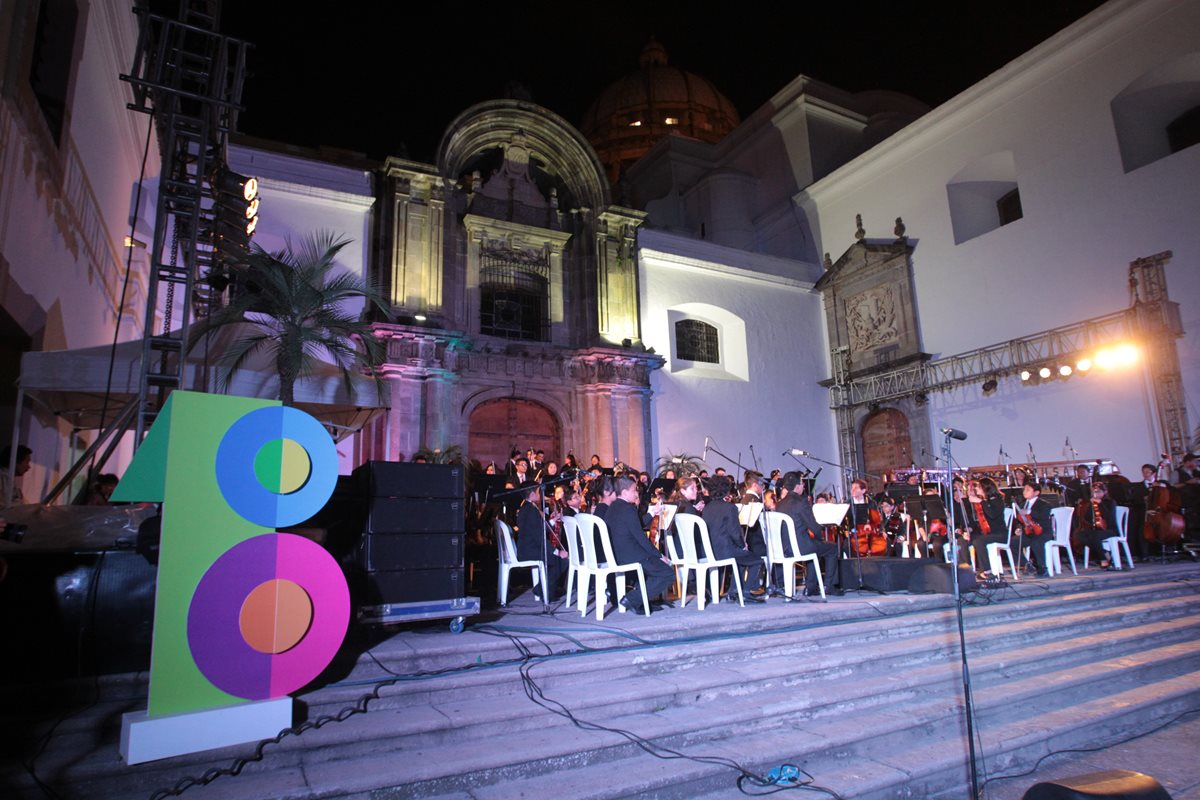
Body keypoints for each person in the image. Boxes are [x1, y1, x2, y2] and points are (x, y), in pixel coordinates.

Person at [606, 476, 676, 613]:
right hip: (631, 555)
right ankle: (633, 599)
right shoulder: (628, 509)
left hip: (619, 553)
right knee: (667, 573)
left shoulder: (613, 507)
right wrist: (660, 555)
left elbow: (635, 526)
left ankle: (642, 602)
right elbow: (641, 538)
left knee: (653, 570)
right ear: (625, 493)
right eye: (634, 490)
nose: (637, 493)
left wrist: (651, 513)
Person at [774, 471, 842, 597]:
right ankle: (829, 586)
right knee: (831, 548)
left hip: (783, 548)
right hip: (801, 547)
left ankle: (811, 587)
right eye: (802, 483)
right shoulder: (801, 502)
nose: (804, 486)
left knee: (814, 548)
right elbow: (814, 527)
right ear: (797, 486)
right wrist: (820, 537)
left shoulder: (779, 504)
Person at [701, 476, 765, 601]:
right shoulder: (730, 508)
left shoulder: (707, 508)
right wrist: (743, 545)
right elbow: (735, 533)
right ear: (726, 490)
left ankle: (733, 591)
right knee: (756, 560)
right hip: (726, 551)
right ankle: (746, 592)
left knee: (742, 558)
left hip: (710, 551)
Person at [514, 482, 564, 600]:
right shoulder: (531, 510)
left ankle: (545, 588)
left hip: (528, 547)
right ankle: (542, 590)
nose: (540, 495)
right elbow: (539, 537)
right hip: (530, 550)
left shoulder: (526, 508)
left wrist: (552, 521)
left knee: (558, 560)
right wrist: (556, 552)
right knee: (560, 561)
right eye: (538, 492)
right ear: (532, 494)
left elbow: (538, 529)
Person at [1074, 479, 1120, 569]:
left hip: (1110, 529)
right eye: (1093, 492)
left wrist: (1101, 504)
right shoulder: (1092, 503)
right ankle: (1105, 553)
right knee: (1079, 535)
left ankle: (1103, 559)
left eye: (1098, 492)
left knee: (1095, 536)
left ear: (1105, 492)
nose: (1096, 494)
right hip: (1096, 529)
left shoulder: (1111, 502)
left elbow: (1109, 518)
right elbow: (1087, 518)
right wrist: (1090, 506)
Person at [1015, 481, 1054, 577]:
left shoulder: (1044, 504)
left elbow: (1044, 516)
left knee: (1036, 542)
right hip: (1029, 532)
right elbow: (1019, 520)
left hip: (1043, 531)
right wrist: (1018, 528)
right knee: (1012, 542)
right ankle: (1026, 564)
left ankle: (1042, 568)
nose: (1024, 492)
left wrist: (1030, 511)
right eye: (1024, 489)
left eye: (1028, 490)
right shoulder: (1022, 504)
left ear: (1036, 493)